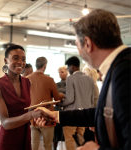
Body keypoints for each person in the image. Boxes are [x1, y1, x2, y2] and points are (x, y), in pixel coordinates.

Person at [34, 9, 130, 150]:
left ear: (87, 43)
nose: (78, 52)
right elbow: (99, 112)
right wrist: (55, 115)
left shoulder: (125, 72)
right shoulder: (118, 67)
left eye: (76, 44)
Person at [0, 45, 52, 150]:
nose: (20, 62)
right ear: (6, 60)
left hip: (25, 138)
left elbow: (23, 111)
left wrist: (39, 108)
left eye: (23, 59)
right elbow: (5, 123)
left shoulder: (28, 82)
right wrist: (31, 114)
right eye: (15, 58)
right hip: (7, 141)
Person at [26, 57, 65, 150]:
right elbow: (57, 98)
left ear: (36, 65)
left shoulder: (26, 79)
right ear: (45, 66)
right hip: (47, 117)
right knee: (47, 146)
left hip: (32, 117)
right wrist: (62, 95)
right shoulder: (50, 80)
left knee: (33, 145)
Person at [57, 56, 94, 150]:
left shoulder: (71, 78)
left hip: (71, 115)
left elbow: (70, 99)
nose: (68, 70)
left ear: (72, 67)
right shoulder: (90, 79)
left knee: (69, 140)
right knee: (80, 141)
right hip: (84, 116)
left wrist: (59, 104)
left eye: (68, 68)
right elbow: (92, 100)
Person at [53, 66, 68, 150]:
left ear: (67, 72)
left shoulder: (71, 84)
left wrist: (63, 96)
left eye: (62, 72)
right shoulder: (56, 84)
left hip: (67, 109)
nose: (60, 74)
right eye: (59, 72)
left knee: (66, 133)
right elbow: (54, 96)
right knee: (56, 133)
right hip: (57, 108)